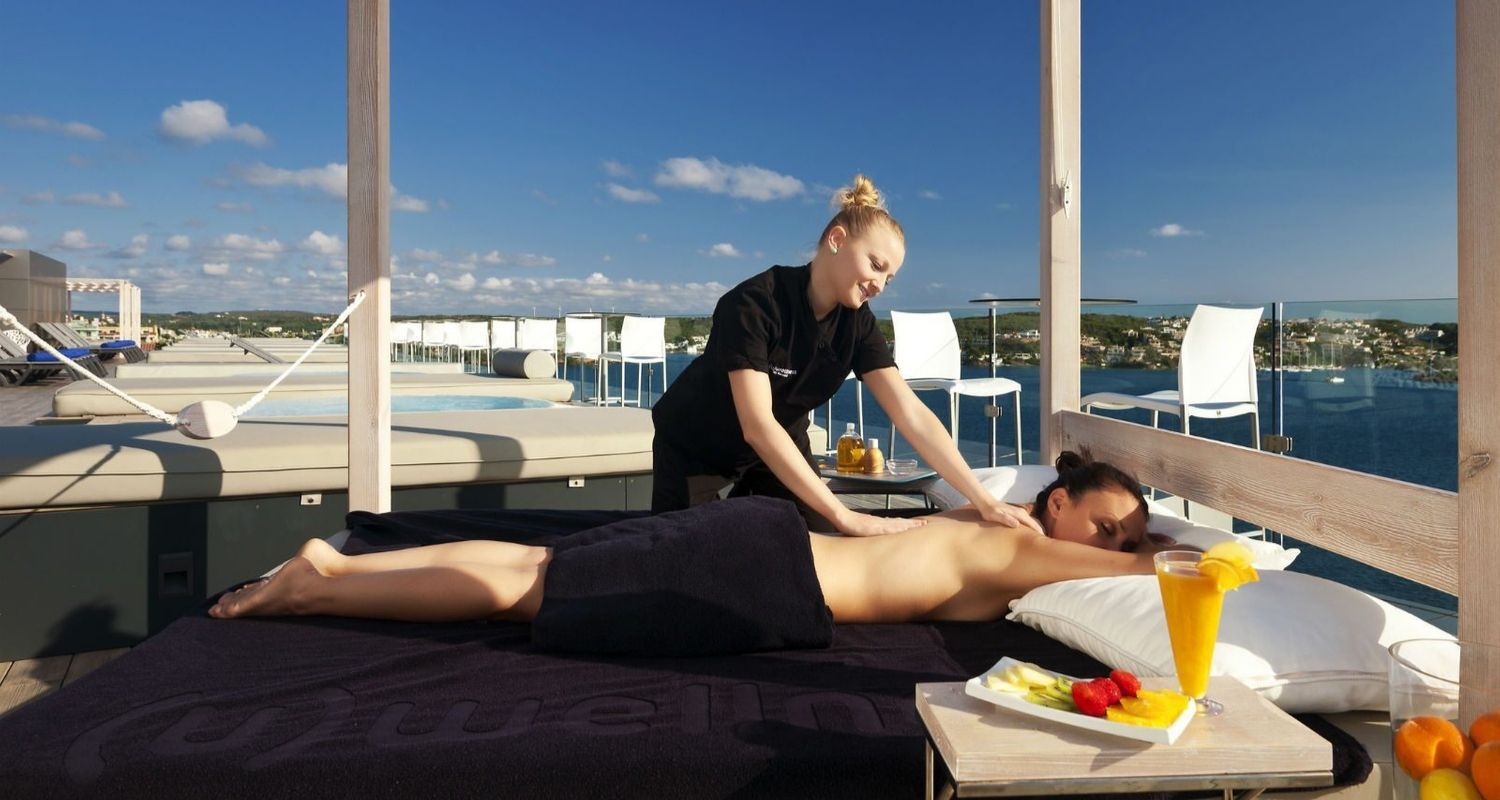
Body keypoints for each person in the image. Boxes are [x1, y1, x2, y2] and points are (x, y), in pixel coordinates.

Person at [210, 451, 1172, 629]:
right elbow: (1172, 570)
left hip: (763, 544)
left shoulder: (987, 523)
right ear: (1055, 505)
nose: (1116, 547)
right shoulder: (1019, 544)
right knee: (530, 591)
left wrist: (1143, 537)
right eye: (1107, 526)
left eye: (1124, 534)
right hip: (764, 568)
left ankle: (334, 566)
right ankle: (317, 589)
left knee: (543, 568)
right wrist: (1173, 548)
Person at [650, 174, 1040, 537]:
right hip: (698, 443)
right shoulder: (755, 303)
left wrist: (984, 501)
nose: (880, 285)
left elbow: (910, 413)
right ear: (837, 240)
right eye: (876, 265)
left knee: (816, 540)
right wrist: (845, 514)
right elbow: (757, 425)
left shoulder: (857, 325)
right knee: (684, 549)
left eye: (889, 278)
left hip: (780, 443)